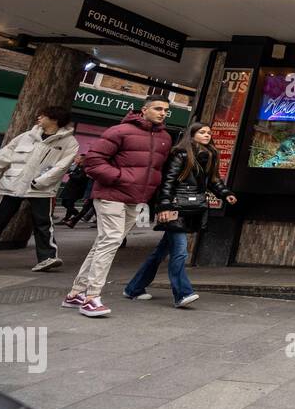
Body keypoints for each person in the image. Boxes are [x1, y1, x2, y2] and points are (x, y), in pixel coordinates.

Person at [63, 97, 173, 318]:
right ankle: (91, 298)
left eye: (166, 110)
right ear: (144, 110)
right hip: (111, 194)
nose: (162, 113)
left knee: (103, 243)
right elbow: (93, 161)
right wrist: (120, 177)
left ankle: (75, 293)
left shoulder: (164, 137)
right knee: (111, 240)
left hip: (136, 199)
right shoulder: (120, 131)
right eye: (158, 108)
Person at [124, 122, 237, 309]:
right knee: (180, 251)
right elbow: (167, 182)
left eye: (209, 132)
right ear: (191, 135)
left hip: (192, 209)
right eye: (202, 132)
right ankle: (182, 293)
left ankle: (134, 288)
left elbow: (214, 181)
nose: (207, 135)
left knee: (160, 253)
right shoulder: (180, 154)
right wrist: (165, 206)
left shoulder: (210, 155)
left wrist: (225, 194)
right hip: (176, 208)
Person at [0, 106, 78, 272]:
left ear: (54, 119)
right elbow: (6, 153)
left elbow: (62, 167)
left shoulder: (69, 142)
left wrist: (40, 181)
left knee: (44, 224)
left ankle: (47, 258)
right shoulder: (27, 136)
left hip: (42, 189)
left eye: (43, 115)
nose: (38, 117)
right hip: (13, 185)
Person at [57, 155, 92, 225]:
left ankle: (76, 215)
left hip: (76, 190)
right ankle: (68, 217)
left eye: (78, 158)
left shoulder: (84, 168)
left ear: (82, 160)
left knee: (68, 204)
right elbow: (68, 171)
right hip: (70, 188)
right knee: (65, 203)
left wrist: (71, 174)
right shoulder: (76, 166)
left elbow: (80, 178)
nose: (75, 159)